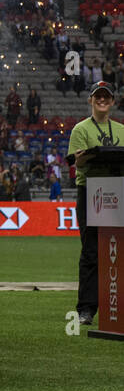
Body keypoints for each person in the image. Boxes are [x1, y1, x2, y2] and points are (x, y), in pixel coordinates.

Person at [68, 80, 122, 325]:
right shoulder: (80, 129)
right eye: (97, 96)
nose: (102, 100)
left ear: (112, 101)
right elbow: (77, 163)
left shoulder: (121, 130)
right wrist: (87, 157)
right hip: (90, 192)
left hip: (117, 192)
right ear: (90, 100)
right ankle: (87, 309)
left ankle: (116, 306)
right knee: (91, 251)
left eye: (106, 96)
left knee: (117, 251)